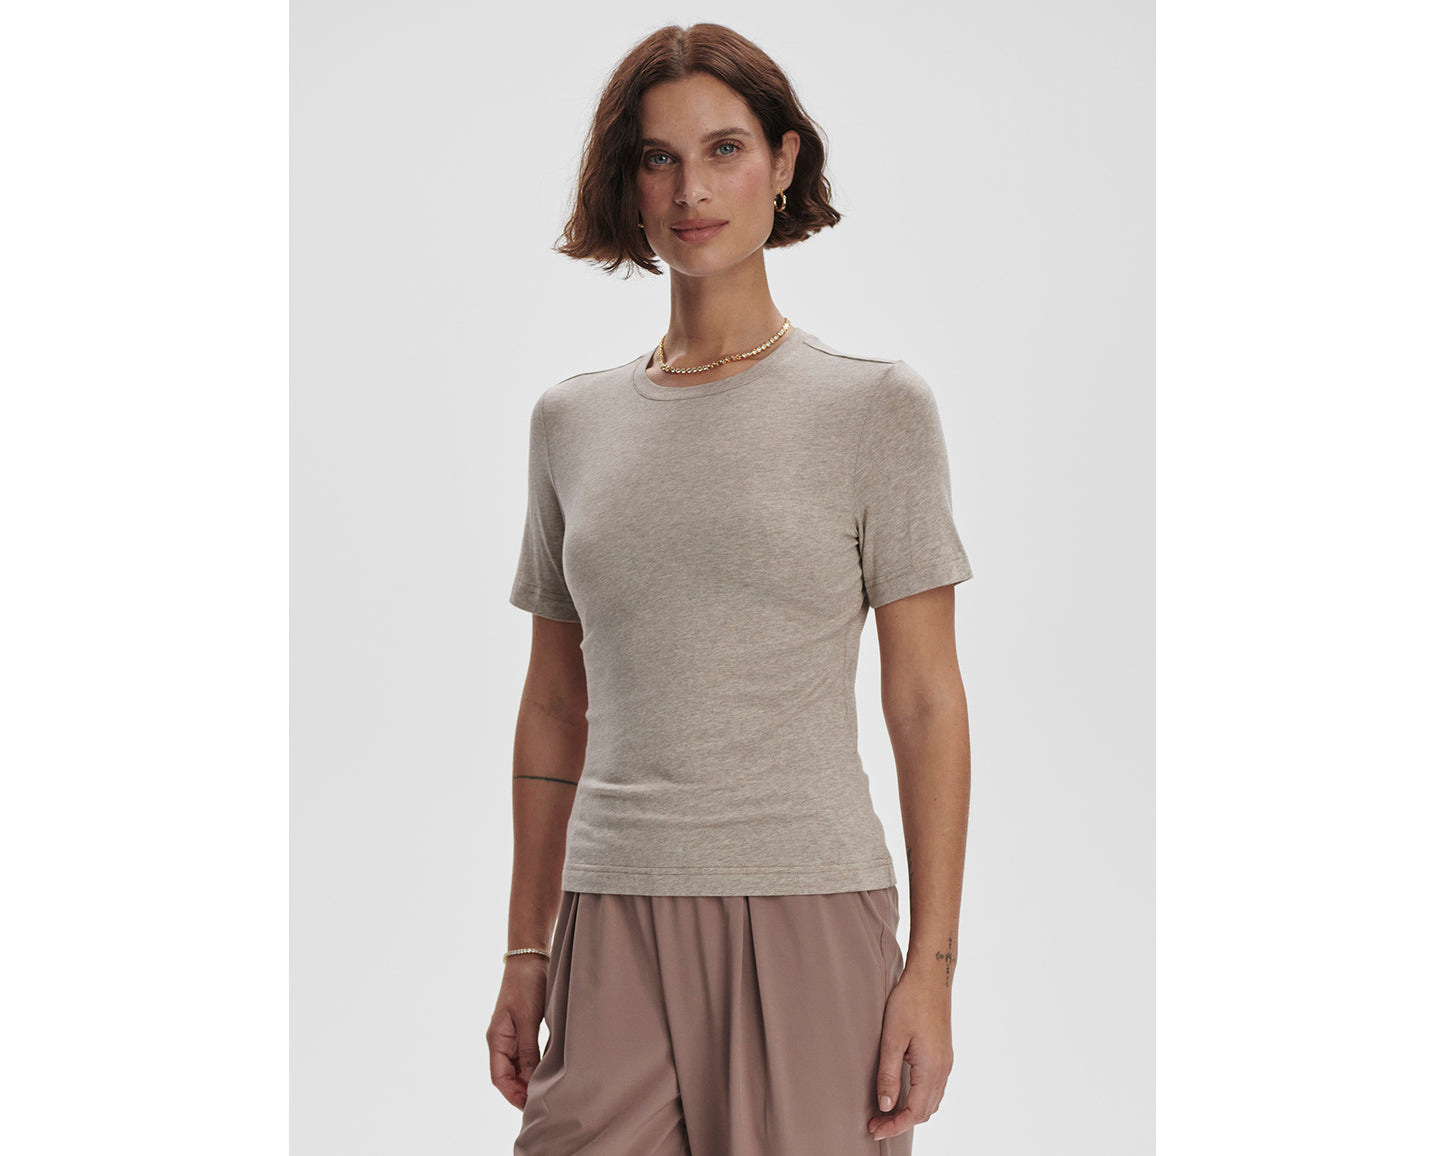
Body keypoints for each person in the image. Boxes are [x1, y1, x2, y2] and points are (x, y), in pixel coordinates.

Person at [487, 22, 974, 1156]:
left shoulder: (872, 409)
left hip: (806, 906)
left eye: (723, 149)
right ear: (626, 181)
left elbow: (923, 703)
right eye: (657, 158)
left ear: (783, 161)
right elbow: (553, 703)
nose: (689, 190)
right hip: (608, 912)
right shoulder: (570, 423)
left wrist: (932, 969)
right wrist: (524, 948)